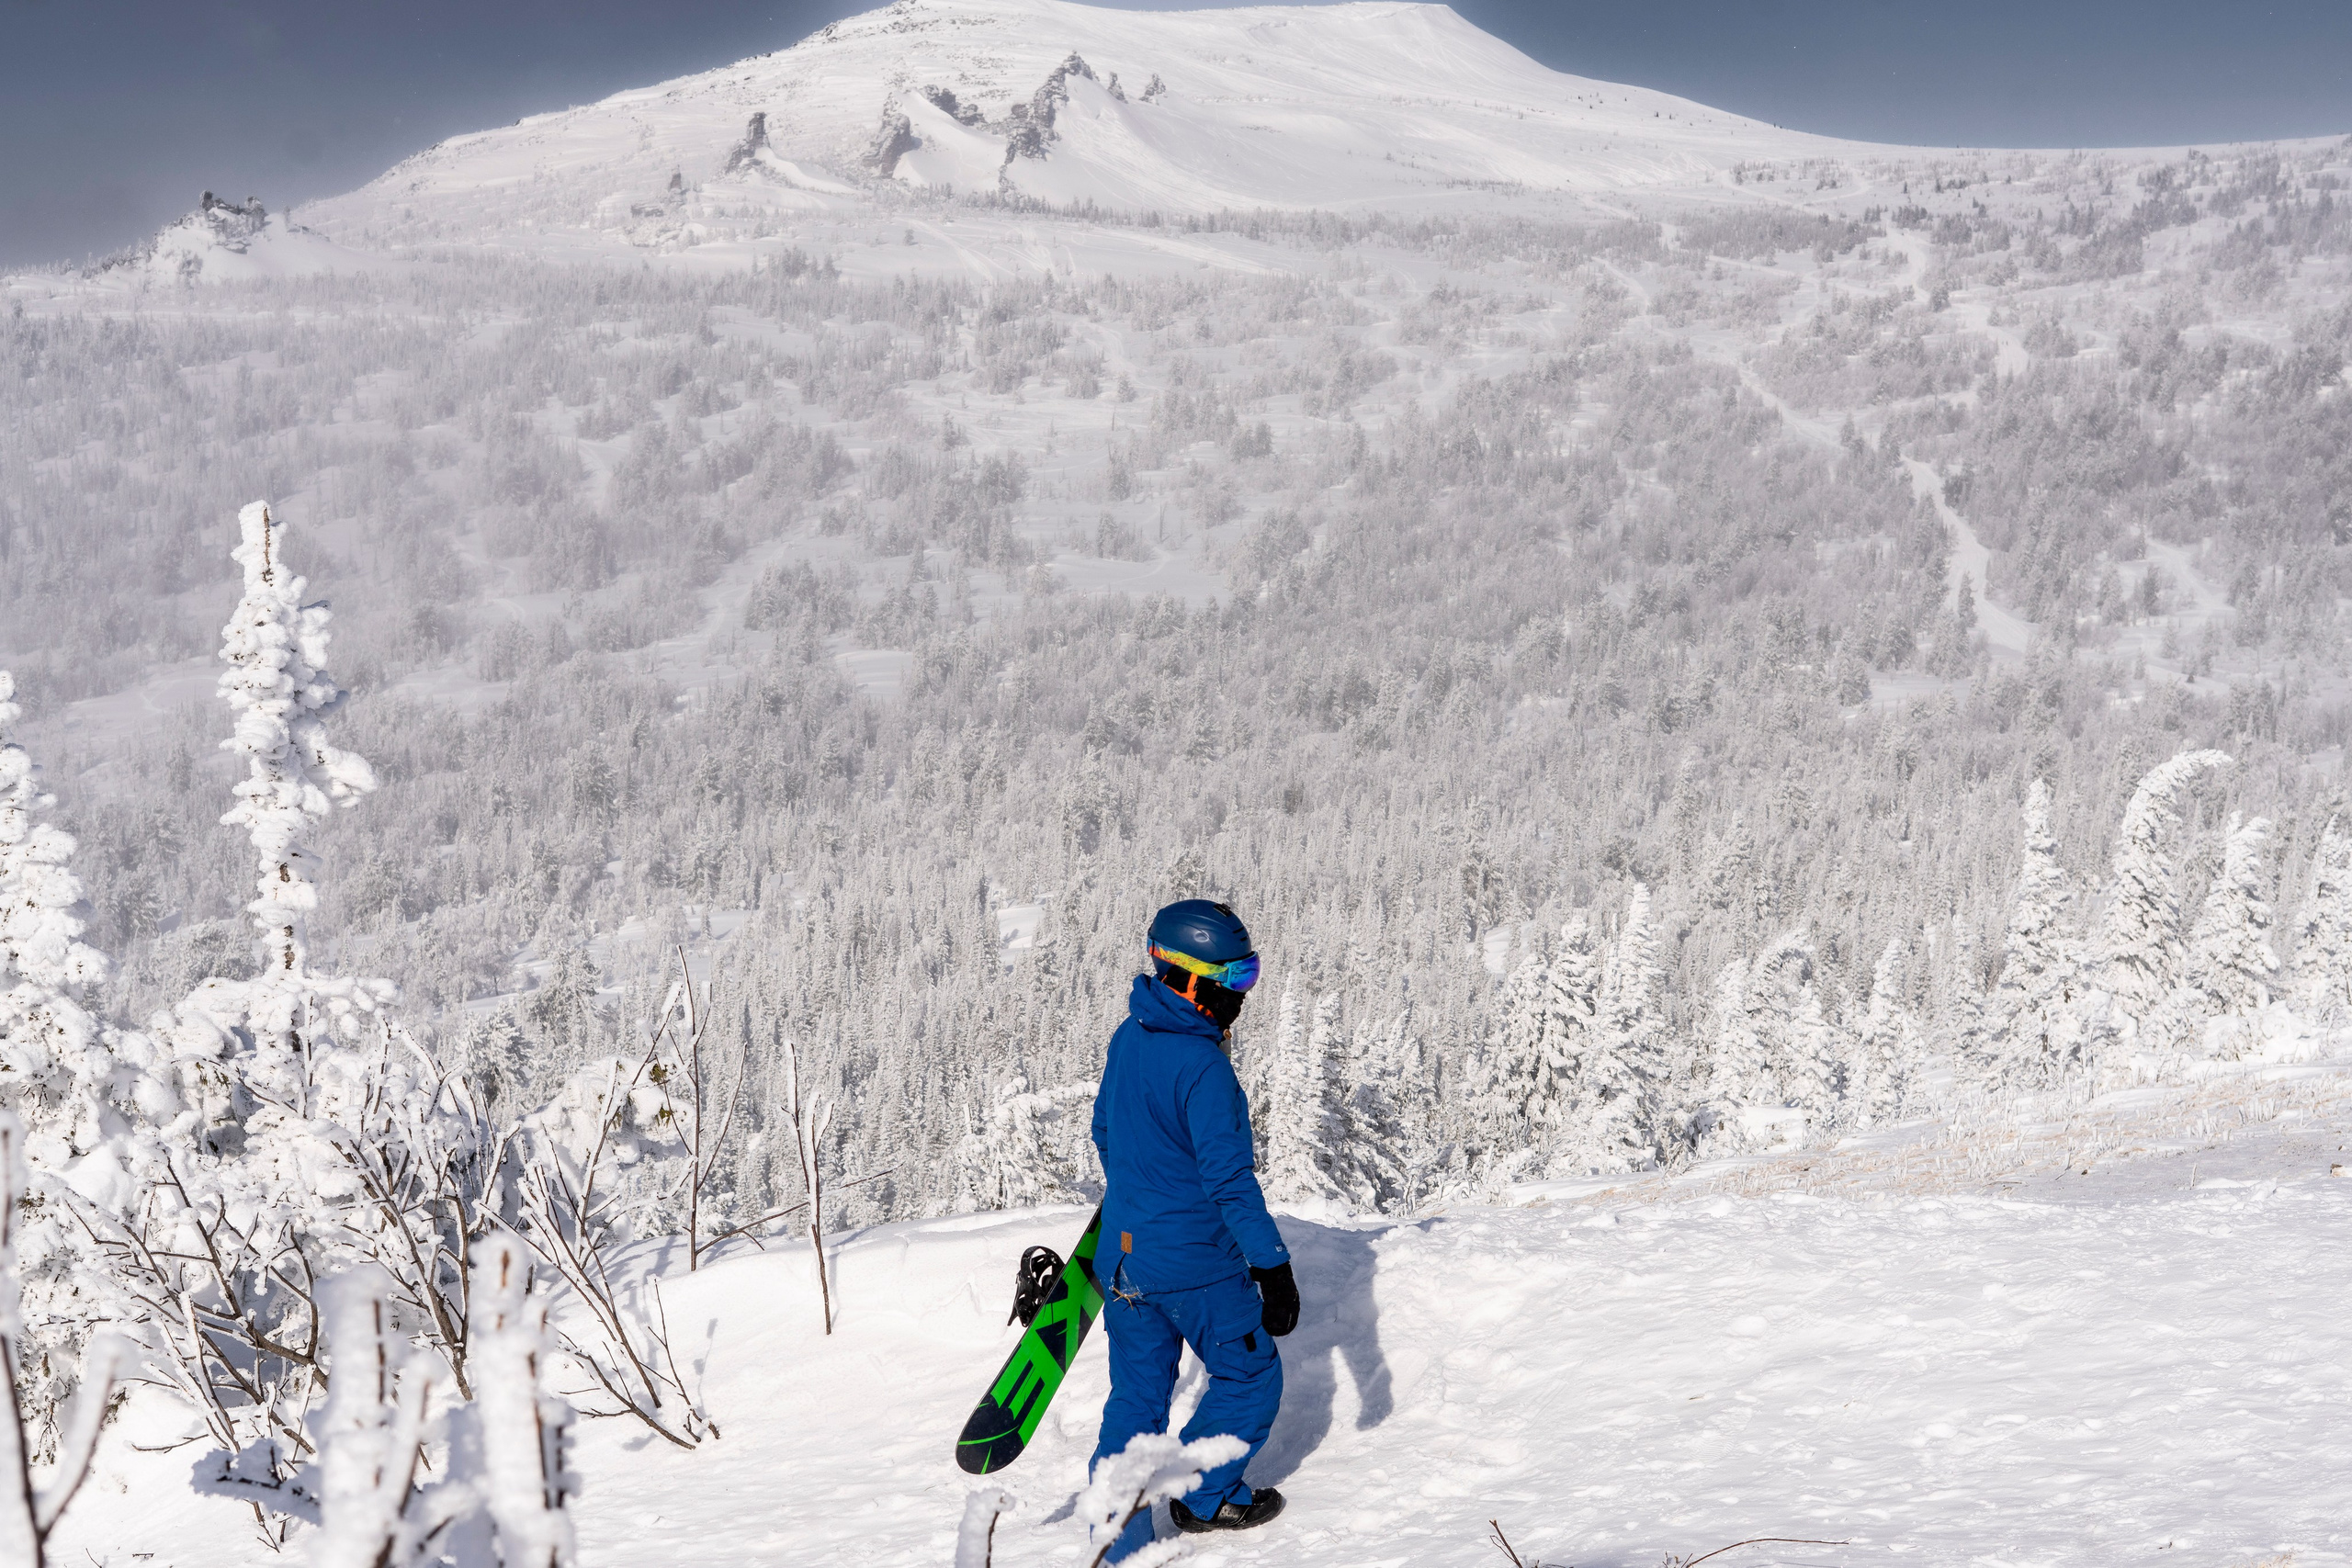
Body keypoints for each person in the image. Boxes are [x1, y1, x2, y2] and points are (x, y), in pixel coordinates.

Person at [1089, 898, 1299, 1560]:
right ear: (1188, 976)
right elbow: (1230, 1181)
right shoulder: (1204, 1066)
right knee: (1249, 1374)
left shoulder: (1130, 1034)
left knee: (1137, 1397)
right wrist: (1272, 1266)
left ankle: (1112, 1541)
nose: (1242, 994)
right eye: (1235, 978)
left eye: (1249, 976)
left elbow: (1104, 1131)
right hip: (1196, 1267)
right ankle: (1204, 1496)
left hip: (1122, 1258)